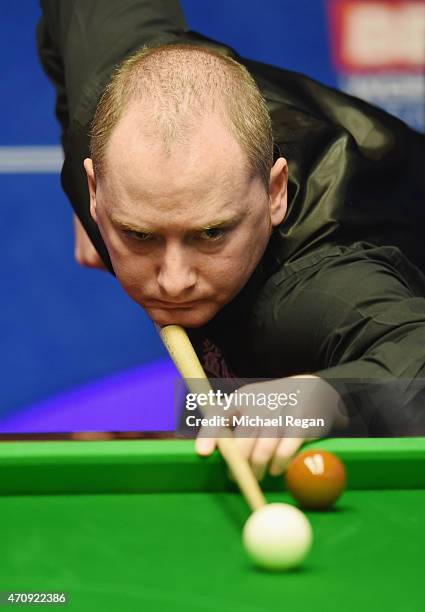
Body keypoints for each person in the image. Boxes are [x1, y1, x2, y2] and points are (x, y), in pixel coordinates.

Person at [37, 0, 425, 479]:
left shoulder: (321, 284)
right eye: (140, 234)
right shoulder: (107, 94)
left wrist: (331, 396)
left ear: (274, 194)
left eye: (211, 233)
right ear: (94, 187)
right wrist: (89, 193)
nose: (174, 282)